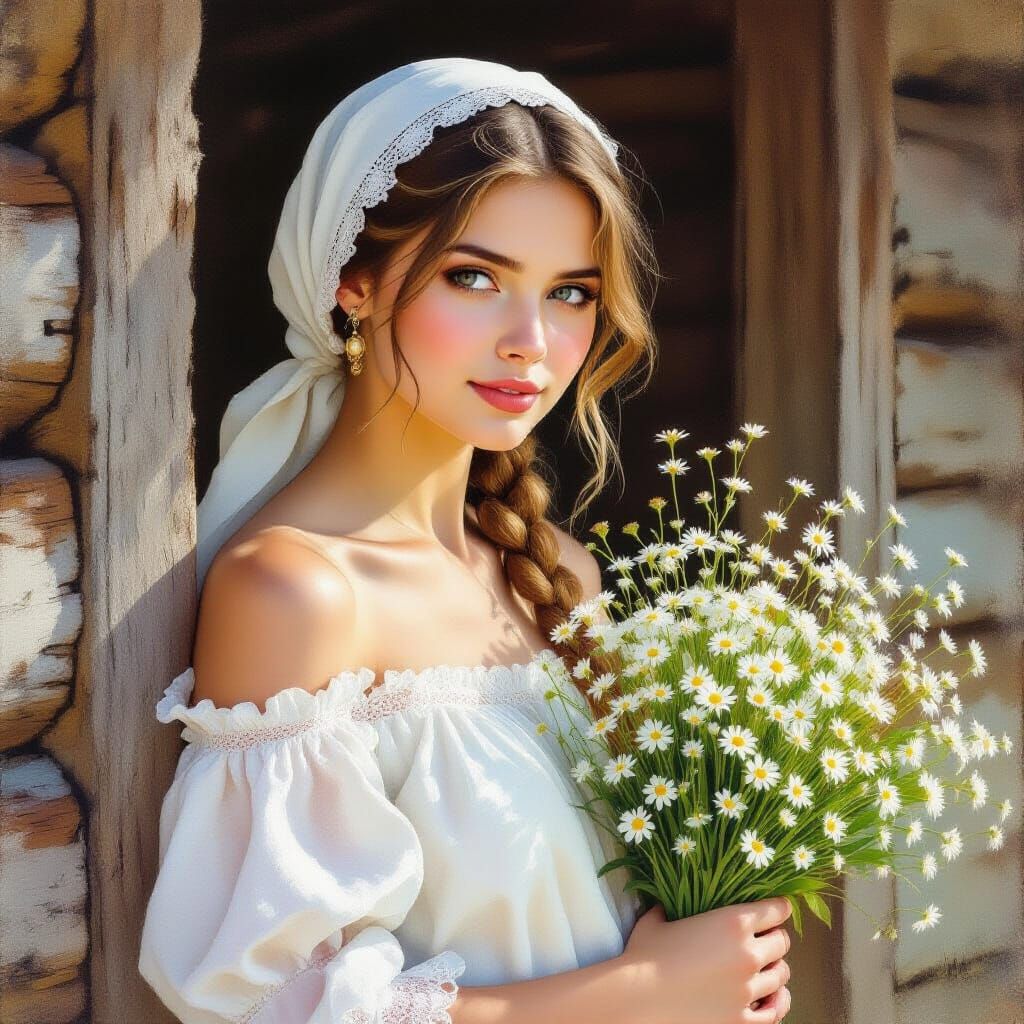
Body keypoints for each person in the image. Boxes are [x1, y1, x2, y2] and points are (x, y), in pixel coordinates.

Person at [137, 57, 793, 1024]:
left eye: (571, 292)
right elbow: (278, 1006)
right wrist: (648, 992)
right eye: (475, 277)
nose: (531, 339)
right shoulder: (296, 594)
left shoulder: (559, 575)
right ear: (353, 282)